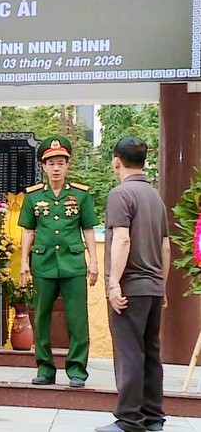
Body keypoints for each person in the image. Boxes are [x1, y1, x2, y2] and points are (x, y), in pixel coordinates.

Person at [95, 137, 169, 432]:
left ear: (116, 160)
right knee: (151, 353)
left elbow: (122, 239)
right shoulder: (156, 197)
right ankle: (153, 418)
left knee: (129, 353)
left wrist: (114, 284)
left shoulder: (120, 194)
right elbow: (165, 247)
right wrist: (162, 285)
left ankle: (128, 419)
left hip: (130, 287)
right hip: (152, 287)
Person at [18, 135, 99, 389]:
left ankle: (77, 370)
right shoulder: (32, 197)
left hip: (73, 262)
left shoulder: (81, 195)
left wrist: (93, 262)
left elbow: (88, 230)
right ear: (43, 166)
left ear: (68, 165)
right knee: (41, 316)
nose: (56, 168)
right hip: (43, 263)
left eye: (60, 163)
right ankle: (44, 368)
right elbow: (28, 232)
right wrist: (24, 263)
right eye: (51, 163)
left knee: (77, 318)